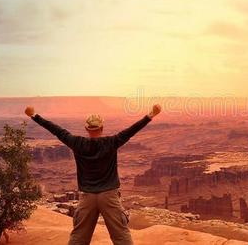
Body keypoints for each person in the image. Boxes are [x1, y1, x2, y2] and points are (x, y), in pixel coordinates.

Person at [24, 104, 161, 245]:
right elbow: (131, 130)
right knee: (121, 237)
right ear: (102, 128)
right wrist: (150, 115)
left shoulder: (77, 143)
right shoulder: (111, 142)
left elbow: (56, 130)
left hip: (87, 197)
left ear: (86, 129)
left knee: (79, 237)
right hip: (109, 197)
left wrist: (34, 116)